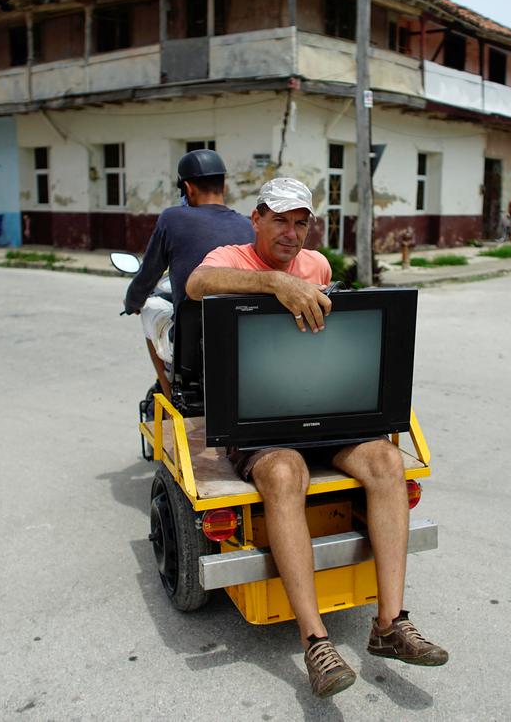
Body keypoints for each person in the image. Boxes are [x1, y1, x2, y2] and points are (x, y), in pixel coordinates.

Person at [185, 177, 448, 699]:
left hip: (325, 413)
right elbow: (196, 284)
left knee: (388, 464)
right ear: (255, 218)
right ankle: (316, 642)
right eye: (280, 219)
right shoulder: (231, 257)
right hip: (262, 423)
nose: (291, 231)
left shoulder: (318, 265)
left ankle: (390, 625)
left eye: (301, 221)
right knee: (284, 475)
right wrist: (274, 284)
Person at [123, 150, 254, 398]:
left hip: (193, 352)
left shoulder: (172, 219)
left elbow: (148, 275)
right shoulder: (248, 225)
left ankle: (170, 393)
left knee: (149, 310)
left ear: (187, 188)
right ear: (224, 184)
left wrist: (132, 303)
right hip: (240, 340)